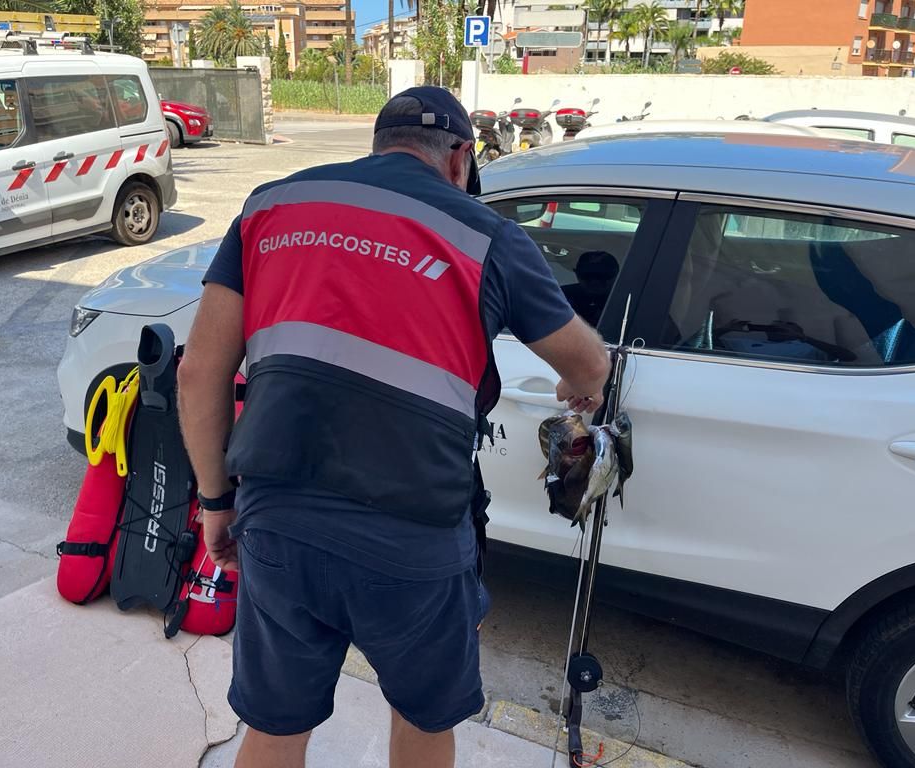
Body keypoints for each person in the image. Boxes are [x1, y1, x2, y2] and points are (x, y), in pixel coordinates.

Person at [177, 86, 610, 768]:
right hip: (413, 539)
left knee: (275, 727)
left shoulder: (269, 206)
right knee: (422, 717)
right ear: (461, 158)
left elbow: (198, 372)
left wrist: (214, 504)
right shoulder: (485, 233)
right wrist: (577, 387)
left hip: (278, 519)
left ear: (379, 145)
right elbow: (590, 364)